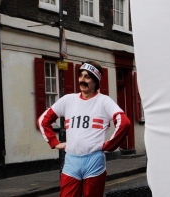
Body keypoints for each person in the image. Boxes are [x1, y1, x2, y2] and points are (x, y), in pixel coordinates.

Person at [38, 61, 131, 197]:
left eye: (87, 76)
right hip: (71, 161)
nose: (82, 79)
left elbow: (124, 123)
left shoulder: (104, 101)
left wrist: (109, 145)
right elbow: (43, 120)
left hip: (94, 160)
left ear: (96, 80)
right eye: (80, 75)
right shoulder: (68, 100)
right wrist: (55, 142)